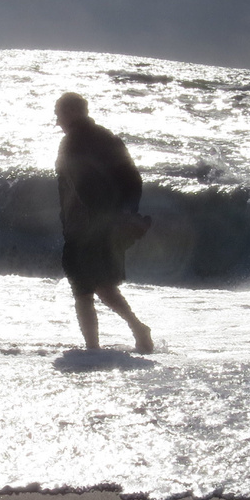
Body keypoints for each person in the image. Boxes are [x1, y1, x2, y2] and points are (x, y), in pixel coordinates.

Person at [54, 92, 154, 353]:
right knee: (101, 284)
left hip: (85, 229)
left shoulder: (71, 143)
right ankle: (138, 329)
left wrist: (106, 218)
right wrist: (128, 213)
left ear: (74, 112)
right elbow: (134, 180)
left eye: (60, 114)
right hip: (107, 227)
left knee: (83, 289)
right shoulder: (110, 139)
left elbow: (81, 188)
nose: (57, 121)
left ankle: (93, 349)